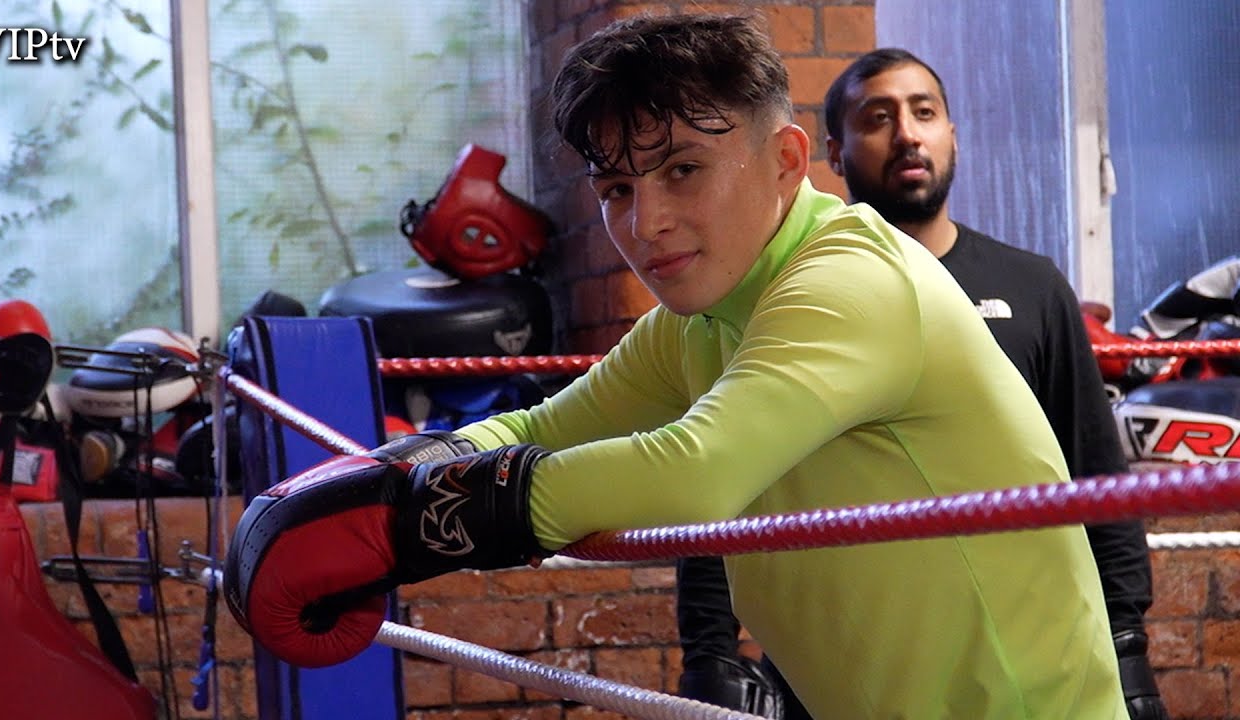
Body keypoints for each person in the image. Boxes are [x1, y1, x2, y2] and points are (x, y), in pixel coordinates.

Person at [223, 15, 1131, 719]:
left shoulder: (849, 281)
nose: (645, 221)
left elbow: (698, 469)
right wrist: (386, 474)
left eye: (683, 170)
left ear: (785, 161)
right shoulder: (704, 318)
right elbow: (542, 427)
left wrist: (409, 528)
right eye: (618, 188)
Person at [675, 47, 1168, 720]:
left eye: (925, 112)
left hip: (1017, 666)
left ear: (952, 134)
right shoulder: (778, 299)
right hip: (838, 666)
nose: (907, 134)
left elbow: (1094, 475)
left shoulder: (1030, 286)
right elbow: (720, 480)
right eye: (877, 118)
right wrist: (710, 656)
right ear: (833, 153)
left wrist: (1127, 642)